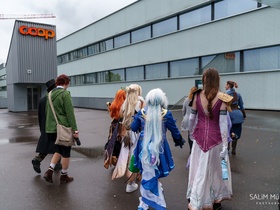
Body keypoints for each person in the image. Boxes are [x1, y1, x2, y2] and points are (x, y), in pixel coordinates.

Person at [130, 88, 185, 210]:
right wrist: (179, 140)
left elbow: (133, 128)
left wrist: (140, 124)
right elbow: (175, 132)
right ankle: (152, 199)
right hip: (160, 148)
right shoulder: (166, 113)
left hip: (143, 148)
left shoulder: (142, 112)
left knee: (146, 172)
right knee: (155, 170)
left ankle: (144, 203)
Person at [187, 68, 233, 210]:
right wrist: (225, 145)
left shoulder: (196, 95)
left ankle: (198, 198)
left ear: (204, 79)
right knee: (216, 171)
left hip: (199, 139)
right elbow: (223, 124)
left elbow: (191, 118)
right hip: (216, 141)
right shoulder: (223, 97)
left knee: (199, 169)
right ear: (217, 80)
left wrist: (192, 133)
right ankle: (215, 199)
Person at [43, 74, 79, 184]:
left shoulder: (49, 94)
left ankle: (49, 171)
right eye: (68, 84)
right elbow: (70, 113)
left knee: (58, 150)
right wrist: (75, 129)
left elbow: (47, 113)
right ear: (65, 83)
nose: (68, 86)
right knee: (66, 152)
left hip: (52, 129)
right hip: (63, 128)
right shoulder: (65, 94)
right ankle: (64, 175)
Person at [112, 84, 144, 193]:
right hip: (137, 134)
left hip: (126, 133)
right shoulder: (140, 102)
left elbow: (120, 115)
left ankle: (131, 181)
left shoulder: (125, 103)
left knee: (127, 156)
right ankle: (130, 183)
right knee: (135, 157)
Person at [31, 79, 62, 173]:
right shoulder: (56, 98)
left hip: (45, 127)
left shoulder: (42, 100)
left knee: (46, 146)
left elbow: (40, 116)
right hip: (55, 127)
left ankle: (37, 160)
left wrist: (42, 129)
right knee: (59, 145)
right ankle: (57, 164)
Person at [104, 89, 126, 169]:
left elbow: (112, 115)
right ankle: (118, 158)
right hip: (120, 125)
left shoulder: (113, 104)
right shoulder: (124, 105)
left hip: (113, 125)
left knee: (112, 141)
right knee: (119, 141)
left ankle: (112, 157)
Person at [225, 80, 246, 155]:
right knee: (236, 132)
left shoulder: (225, 95)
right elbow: (242, 106)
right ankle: (234, 149)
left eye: (226, 85)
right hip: (238, 115)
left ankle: (227, 148)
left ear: (228, 85)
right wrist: (244, 115)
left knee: (227, 132)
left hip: (229, 115)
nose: (225, 86)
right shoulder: (238, 94)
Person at [181, 86, 198, 154]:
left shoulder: (186, 100)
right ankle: (195, 149)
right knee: (196, 134)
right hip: (196, 118)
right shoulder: (197, 100)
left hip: (188, 118)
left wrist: (184, 116)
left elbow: (183, 110)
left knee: (189, 134)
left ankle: (191, 149)